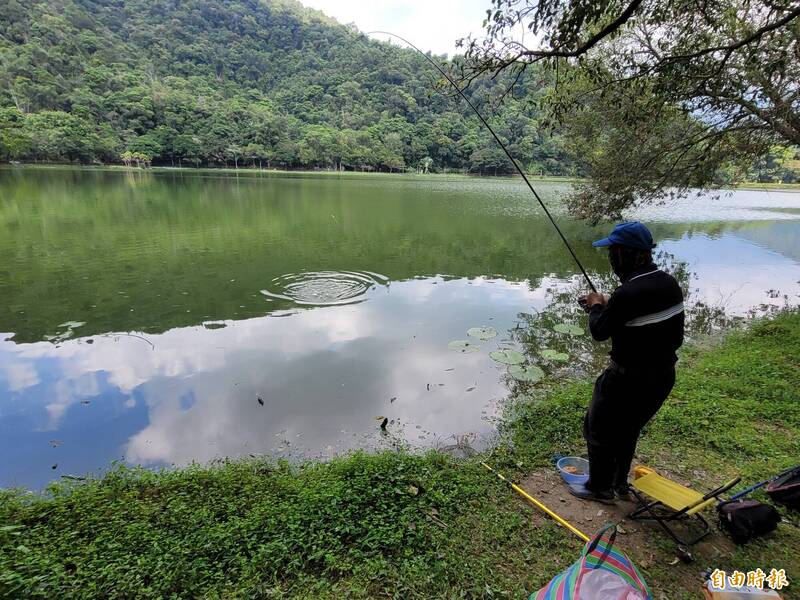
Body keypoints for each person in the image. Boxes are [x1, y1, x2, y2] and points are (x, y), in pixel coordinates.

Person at [571, 221, 684, 504]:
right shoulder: (668, 284)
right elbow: (640, 309)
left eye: (613, 252)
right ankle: (619, 483)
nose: (610, 258)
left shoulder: (628, 294)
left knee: (598, 430)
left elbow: (599, 331)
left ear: (626, 255)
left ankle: (599, 488)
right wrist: (607, 301)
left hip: (626, 380)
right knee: (628, 429)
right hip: (662, 379)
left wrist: (597, 306)